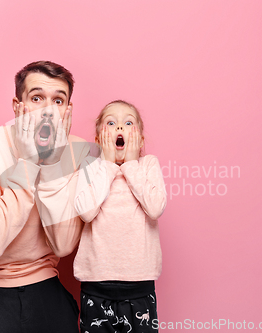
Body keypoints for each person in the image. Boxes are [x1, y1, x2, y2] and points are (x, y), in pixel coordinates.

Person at [0, 61, 89, 333]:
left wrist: (53, 164)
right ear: (17, 106)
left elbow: (63, 245)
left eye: (58, 101)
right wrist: (29, 163)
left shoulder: (77, 151)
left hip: (43, 281)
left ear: (68, 111)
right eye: (36, 98)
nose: (48, 110)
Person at [74, 100, 167, 332]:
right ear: (98, 140)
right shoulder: (90, 167)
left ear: (140, 140)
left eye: (128, 123)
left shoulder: (147, 165)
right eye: (111, 123)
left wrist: (131, 164)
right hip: (96, 285)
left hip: (139, 287)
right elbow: (85, 212)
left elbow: (155, 207)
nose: (119, 128)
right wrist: (106, 164)